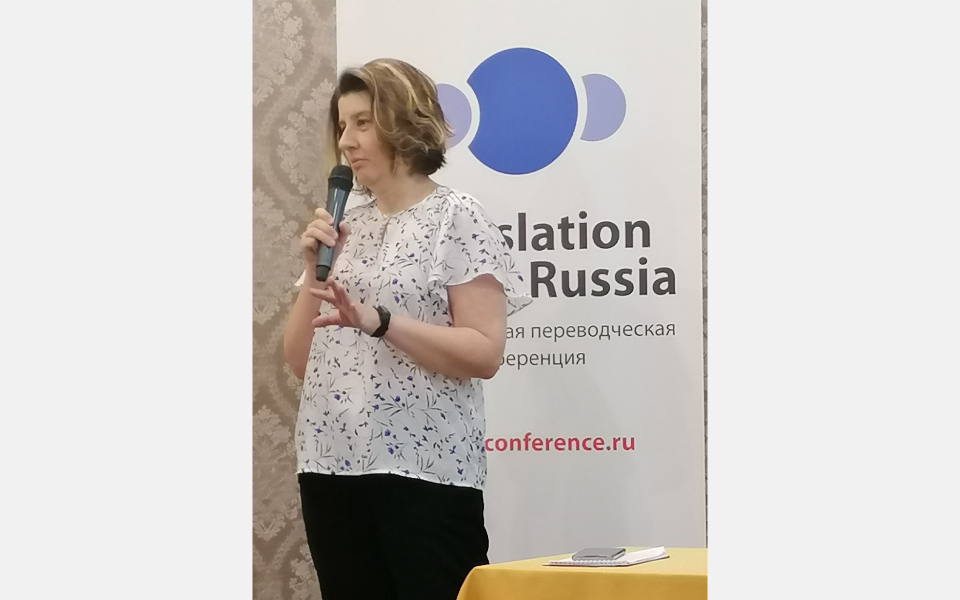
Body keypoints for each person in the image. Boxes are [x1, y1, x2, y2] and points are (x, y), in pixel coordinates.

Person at [282, 58, 531, 600]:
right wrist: (312, 271)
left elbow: (484, 351)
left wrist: (381, 322)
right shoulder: (342, 224)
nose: (346, 141)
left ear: (405, 122)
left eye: (363, 122)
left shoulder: (456, 216)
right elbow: (301, 362)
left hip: (426, 471)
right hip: (331, 465)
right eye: (342, 125)